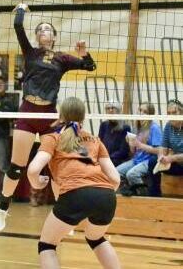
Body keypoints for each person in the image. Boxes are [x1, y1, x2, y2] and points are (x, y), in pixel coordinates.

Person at [0, 3, 96, 232]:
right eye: (39, 29)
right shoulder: (31, 52)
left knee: (58, 165)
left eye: (47, 28)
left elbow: (90, 66)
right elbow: (18, 26)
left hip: (50, 115)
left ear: (54, 36)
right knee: (17, 166)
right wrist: (20, 9)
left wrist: (84, 54)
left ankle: (65, 215)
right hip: (28, 111)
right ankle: (2, 209)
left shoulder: (62, 58)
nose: (42, 31)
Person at [27, 97, 120, 269]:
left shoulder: (52, 138)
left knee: (47, 245)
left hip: (75, 194)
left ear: (60, 115)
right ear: (83, 117)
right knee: (96, 239)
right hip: (106, 195)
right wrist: (99, 196)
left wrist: (37, 183)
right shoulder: (95, 140)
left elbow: (33, 170)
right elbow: (115, 179)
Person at [117, 102, 162, 196]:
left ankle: (143, 195)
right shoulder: (136, 127)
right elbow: (133, 151)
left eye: (145, 111)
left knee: (132, 174)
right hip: (136, 160)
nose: (141, 113)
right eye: (140, 110)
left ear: (150, 114)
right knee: (116, 172)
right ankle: (129, 191)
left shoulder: (154, 128)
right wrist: (130, 143)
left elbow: (158, 150)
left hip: (149, 160)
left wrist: (140, 145)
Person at [147, 99, 183, 197]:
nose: (171, 115)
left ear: (181, 113)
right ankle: (154, 197)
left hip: (177, 160)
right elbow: (163, 146)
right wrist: (161, 156)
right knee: (153, 162)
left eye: (174, 112)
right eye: (168, 113)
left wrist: (172, 158)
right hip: (175, 163)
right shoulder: (168, 126)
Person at [98, 100, 131, 166]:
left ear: (118, 110)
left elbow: (123, 151)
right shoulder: (103, 125)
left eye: (113, 108)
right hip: (104, 158)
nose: (110, 110)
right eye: (108, 108)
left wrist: (107, 158)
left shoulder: (125, 127)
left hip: (117, 159)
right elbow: (99, 144)